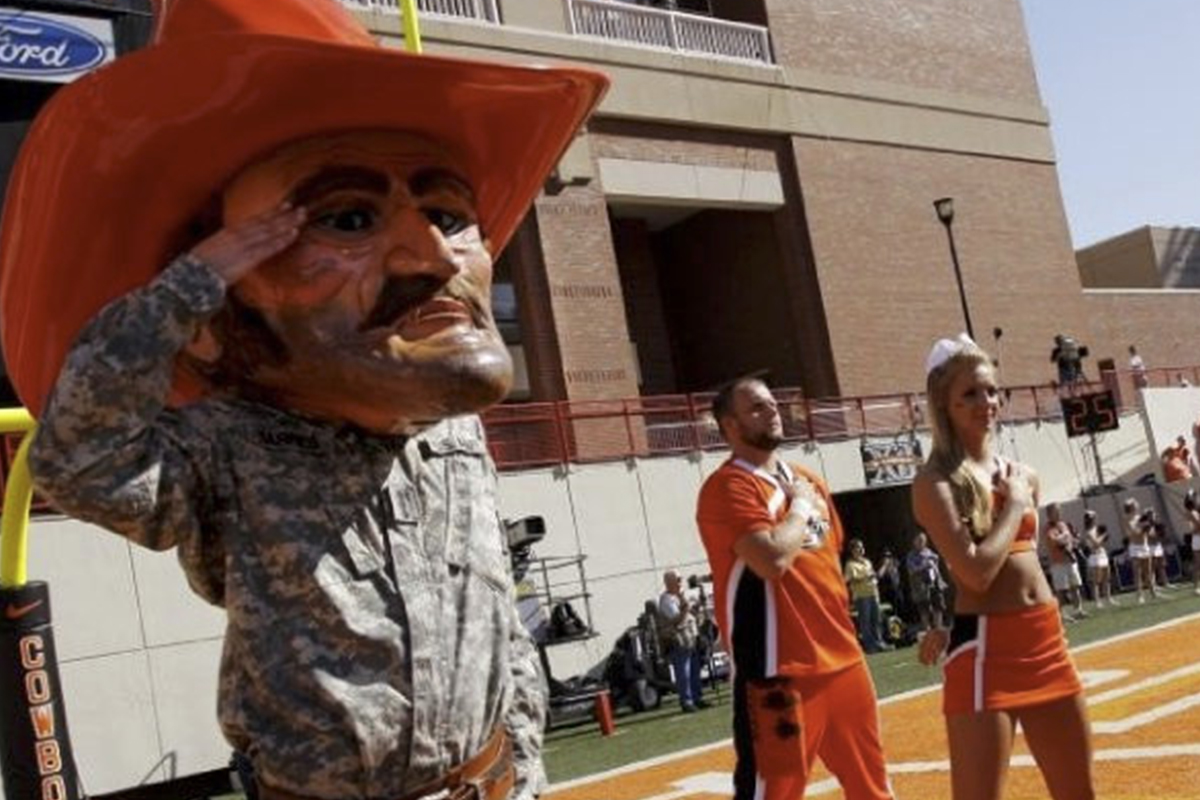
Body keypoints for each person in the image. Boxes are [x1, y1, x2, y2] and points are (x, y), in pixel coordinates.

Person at [1, 1, 608, 798]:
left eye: (450, 214)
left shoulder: (454, 438)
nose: (430, 256)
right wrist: (191, 283)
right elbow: (79, 461)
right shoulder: (226, 449)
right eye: (349, 218)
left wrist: (521, 766)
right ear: (217, 326)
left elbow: (495, 624)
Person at [912, 334, 1094, 800]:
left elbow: (1024, 563)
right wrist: (1013, 505)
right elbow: (975, 574)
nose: (986, 402)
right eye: (969, 393)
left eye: (991, 390)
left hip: (1046, 638)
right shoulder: (935, 481)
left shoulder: (1023, 472)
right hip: (986, 653)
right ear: (944, 405)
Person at [696, 378, 894, 800]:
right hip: (777, 671)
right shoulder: (728, 487)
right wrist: (800, 507)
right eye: (756, 408)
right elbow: (771, 559)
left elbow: (828, 558)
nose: (771, 412)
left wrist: (803, 502)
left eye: (771, 404)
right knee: (774, 793)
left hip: (843, 660)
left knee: (873, 788)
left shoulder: (806, 478)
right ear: (729, 426)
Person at [657, 570, 708, 713]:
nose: (680, 582)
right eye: (678, 579)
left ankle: (697, 698)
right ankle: (686, 702)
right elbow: (678, 619)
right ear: (669, 582)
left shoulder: (680, 596)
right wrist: (685, 604)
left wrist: (697, 606)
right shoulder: (666, 599)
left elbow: (691, 615)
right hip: (679, 641)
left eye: (680, 579)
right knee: (683, 673)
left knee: (694, 671)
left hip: (690, 638)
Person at [844, 539, 889, 653]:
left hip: (873, 593)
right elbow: (850, 579)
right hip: (861, 596)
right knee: (866, 622)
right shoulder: (850, 565)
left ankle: (879, 642)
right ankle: (870, 646)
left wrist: (883, 567)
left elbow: (875, 575)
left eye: (861, 547)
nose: (861, 549)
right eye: (858, 547)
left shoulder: (867, 562)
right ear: (853, 550)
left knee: (876, 620)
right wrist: (866, 576)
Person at [1044, 503, 1087, 621]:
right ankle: (1061, 614)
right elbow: (1054, 541)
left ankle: (1078, 610)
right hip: (1058, 563)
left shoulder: (1063, 525)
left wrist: (1069, 541)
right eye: (1055, 511)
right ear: (1049, 514)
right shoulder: (1048, 527)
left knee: (1075, 586)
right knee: (1061, 590)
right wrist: (1065, 537)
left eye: (1059, 511)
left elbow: (1070, 539)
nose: (1058, 513)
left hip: (1070, 559)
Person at [905, 532, 947, 632]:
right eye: (918, 540)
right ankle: (928, 631)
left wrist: (934, 561)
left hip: (934, 584)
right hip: (921, 587)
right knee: (924, 609)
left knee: (938, 606)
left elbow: (936, 562)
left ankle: (938, 629)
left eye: (923, 540)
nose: (921, 542)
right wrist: (924, 565)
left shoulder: (929, 552)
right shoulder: (911, 556)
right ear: (914, 542)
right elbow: (911, 570)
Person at [1122, 498, 1157, 604]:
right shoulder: (1127, 519)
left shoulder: (1141, 517)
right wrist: (1144, 526)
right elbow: (1134, 533)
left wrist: (1151, 522)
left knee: (1148, 571)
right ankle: (1140, 596)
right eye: (1135, 504)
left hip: (1145, 546)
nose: (1137, 505)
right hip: (1135, 547)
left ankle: (1153, 592)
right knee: (1137, 573)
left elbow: (1151, 533)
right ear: (1132, 507)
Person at [1081, 511, 1118, 609]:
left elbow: (1100, 543)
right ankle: (1098, 601)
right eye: (1091, 518)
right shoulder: (1088, 531)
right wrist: (1104, 535)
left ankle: (1108, 598)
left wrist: (1104, 536)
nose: (1093, 519)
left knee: (1106, 578)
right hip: (1095, 556)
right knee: (1096, 581)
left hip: (1102, 554)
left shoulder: (1097, 529)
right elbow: (1096, 543)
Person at [1184, 490, 1200, 595]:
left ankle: (1196, 587)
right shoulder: (1192, 512)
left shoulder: (1194, 511)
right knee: (1197, 564)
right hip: (1197, 538)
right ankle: (1196, 587)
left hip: (1196, 538)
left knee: (1197, 564)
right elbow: (1197, 526)